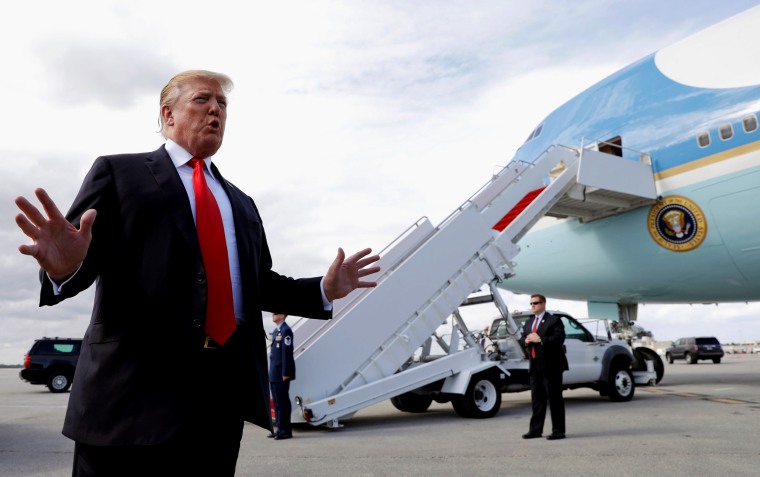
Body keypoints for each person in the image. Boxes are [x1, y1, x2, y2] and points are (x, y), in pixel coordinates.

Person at [13, 70, 380, 476]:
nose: (216, 111)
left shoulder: (241, 203)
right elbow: (78, 251)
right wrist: (67, 269)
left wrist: (322, 290)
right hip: (129, 399)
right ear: (168, 114)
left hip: (218, 400)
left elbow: (258, 284)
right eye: (203, 100)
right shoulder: (119, 174)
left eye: (223, 104)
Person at [520, 294, 569, 440]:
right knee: (537, 398)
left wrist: (540, 339)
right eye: (531, 303)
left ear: (544, 304)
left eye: (536, 303)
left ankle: (558, 431)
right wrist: (527, 340)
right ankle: (535, 430)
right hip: (535, 366)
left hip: (552, 365)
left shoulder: (554, 320)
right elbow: (522, 338)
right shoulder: (529, 322)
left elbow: (559, 339)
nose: (533, 305)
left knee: (554, 398)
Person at [268, 313, 294, 440]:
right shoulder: (276, 330)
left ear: (283, 316)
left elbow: (286, 354)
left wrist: (286, 373)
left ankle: (285, 430)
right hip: (274, 372)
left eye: (276, 313)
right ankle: (279, 428)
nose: (273, 315)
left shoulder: (286, 330)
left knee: (283, 402)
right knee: (277, 402)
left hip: (281, 374)